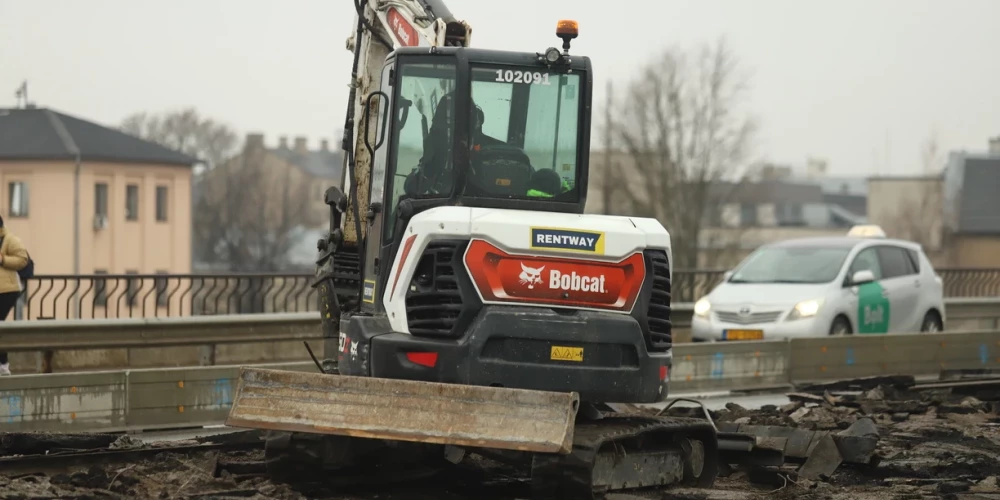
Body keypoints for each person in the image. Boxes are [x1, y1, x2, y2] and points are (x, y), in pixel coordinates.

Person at [0, 214, 28, 376]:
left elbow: (22, 259)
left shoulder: (9, 239)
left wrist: (3, 260)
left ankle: (3, 364)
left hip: (7, 290)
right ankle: (3, 364)